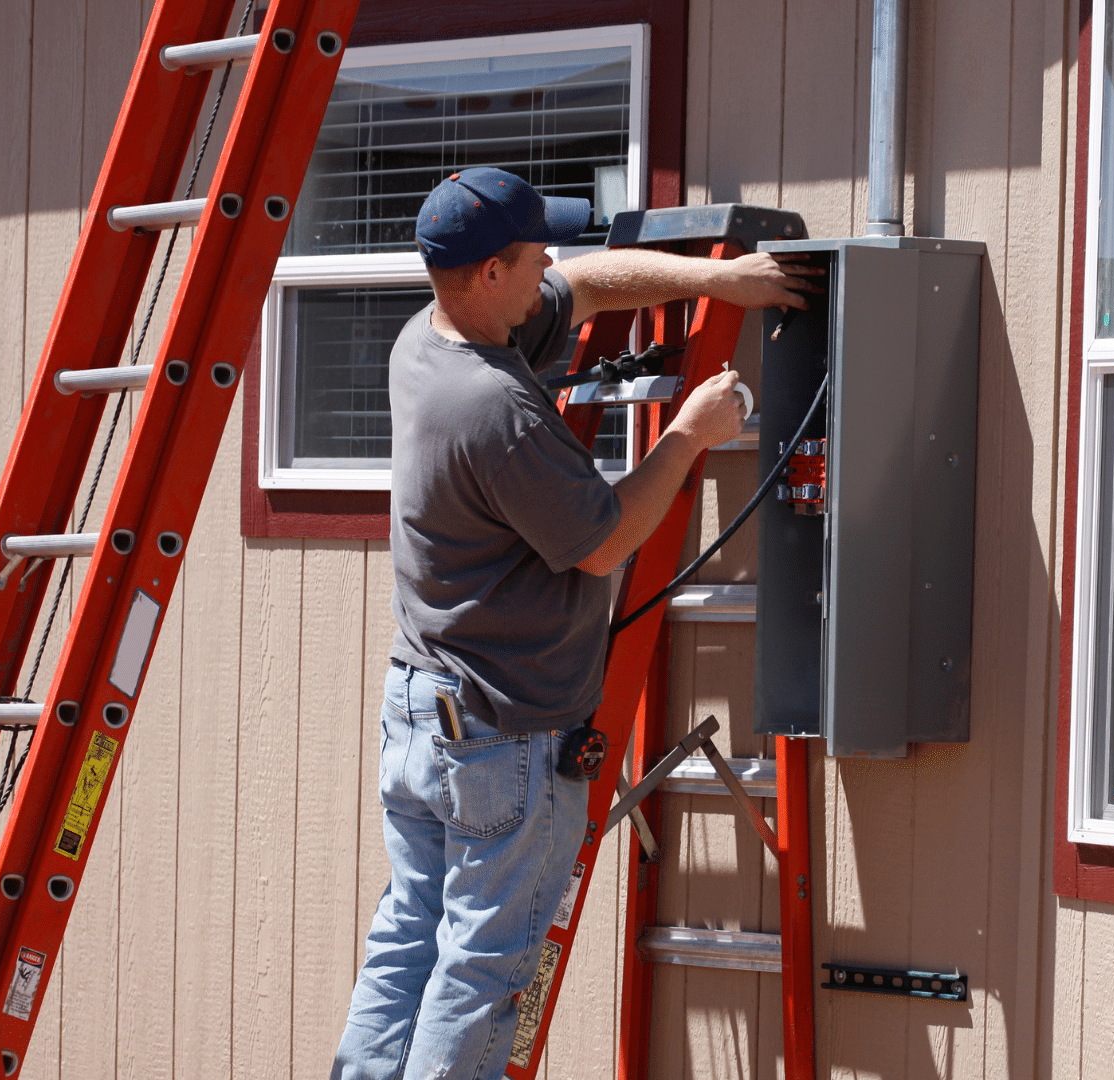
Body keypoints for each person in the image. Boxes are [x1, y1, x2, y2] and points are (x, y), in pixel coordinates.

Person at [331, 167, 819, 1080]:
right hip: (498, 735)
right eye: (533, 252)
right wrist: (690, 430)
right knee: (482, 966)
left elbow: (588, 283)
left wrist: (715, 282)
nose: (551, 260)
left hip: (420, 709)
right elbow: (601, 544)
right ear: (489, 273)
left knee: (408, 936)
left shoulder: (426, 341)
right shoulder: (497, 408)